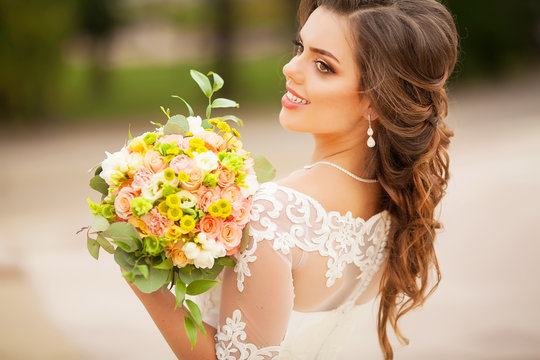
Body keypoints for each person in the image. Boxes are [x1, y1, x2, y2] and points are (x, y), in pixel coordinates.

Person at [126, 0, 458, 358]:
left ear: (375, 102)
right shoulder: (397, 199)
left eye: (323, 65)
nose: (290, 68)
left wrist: (134, 261)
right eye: (300, 48)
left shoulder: (274, 213)